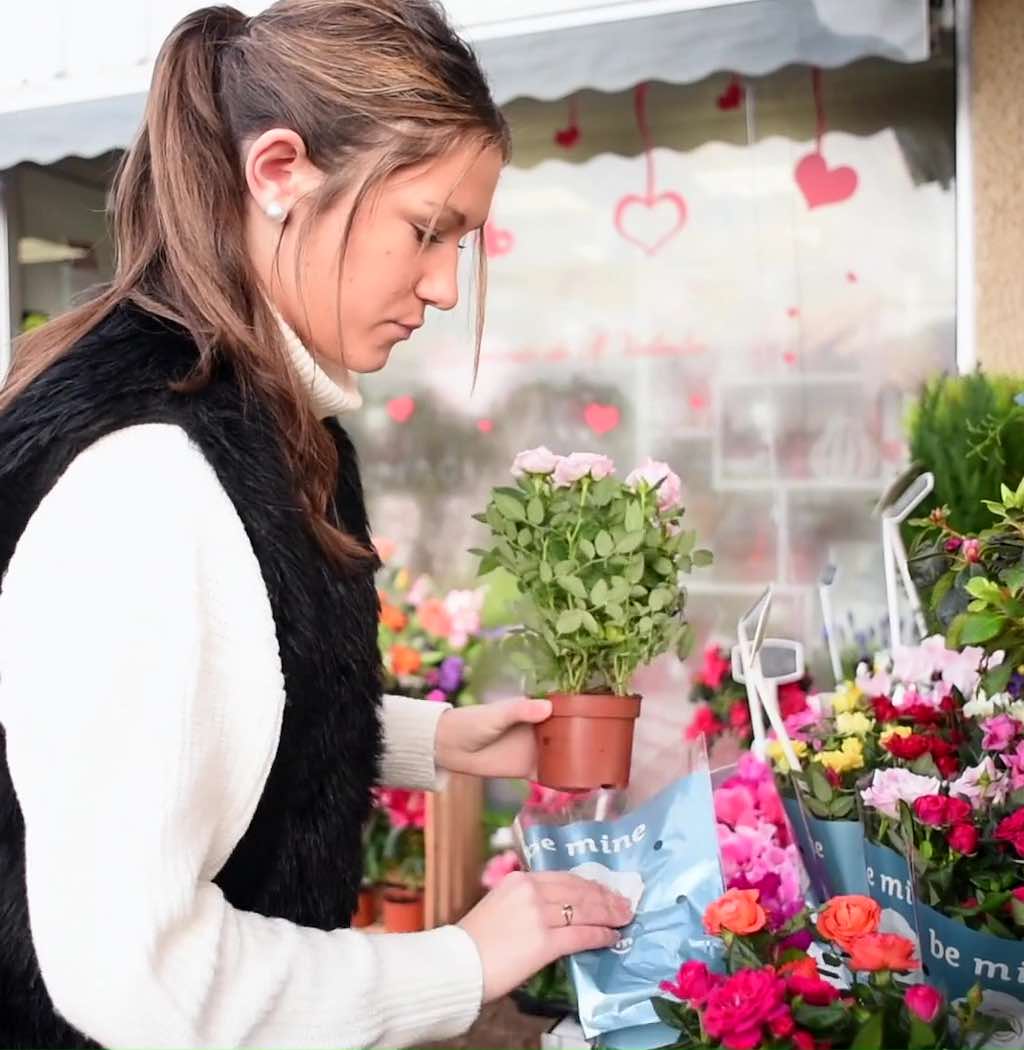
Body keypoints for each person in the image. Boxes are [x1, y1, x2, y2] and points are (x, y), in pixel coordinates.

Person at [0, 3, 633, 1047]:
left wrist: (435, 741)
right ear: (280, 171)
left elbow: (209, 711)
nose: (442, 285)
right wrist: (462, 960)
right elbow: (140, 981)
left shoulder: (268, 419)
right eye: (428, 230)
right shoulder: (148, 478)